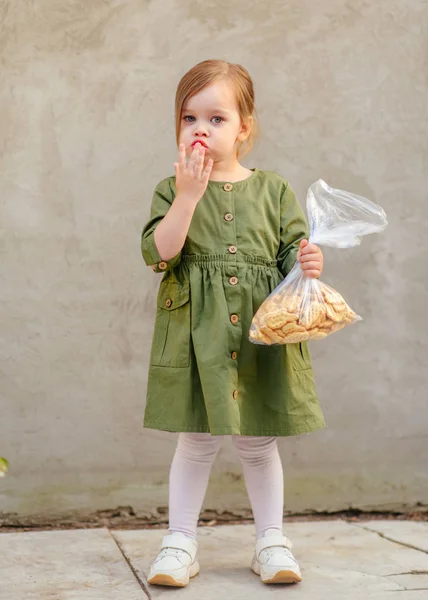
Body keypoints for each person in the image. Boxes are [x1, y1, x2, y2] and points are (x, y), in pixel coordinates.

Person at [141, 59, 325, 587]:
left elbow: (292, 254)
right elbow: (159, 254)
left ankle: (271, 541)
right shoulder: (170, 189)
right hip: (198, 335)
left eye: (216, 118)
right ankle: (179, 542)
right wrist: (188, 196)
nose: (200, 128)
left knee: (258, 442)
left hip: (257, 334)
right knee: (195, 439)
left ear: (244, 127)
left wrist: (307, 261)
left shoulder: (273, 190)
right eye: (188, 117)